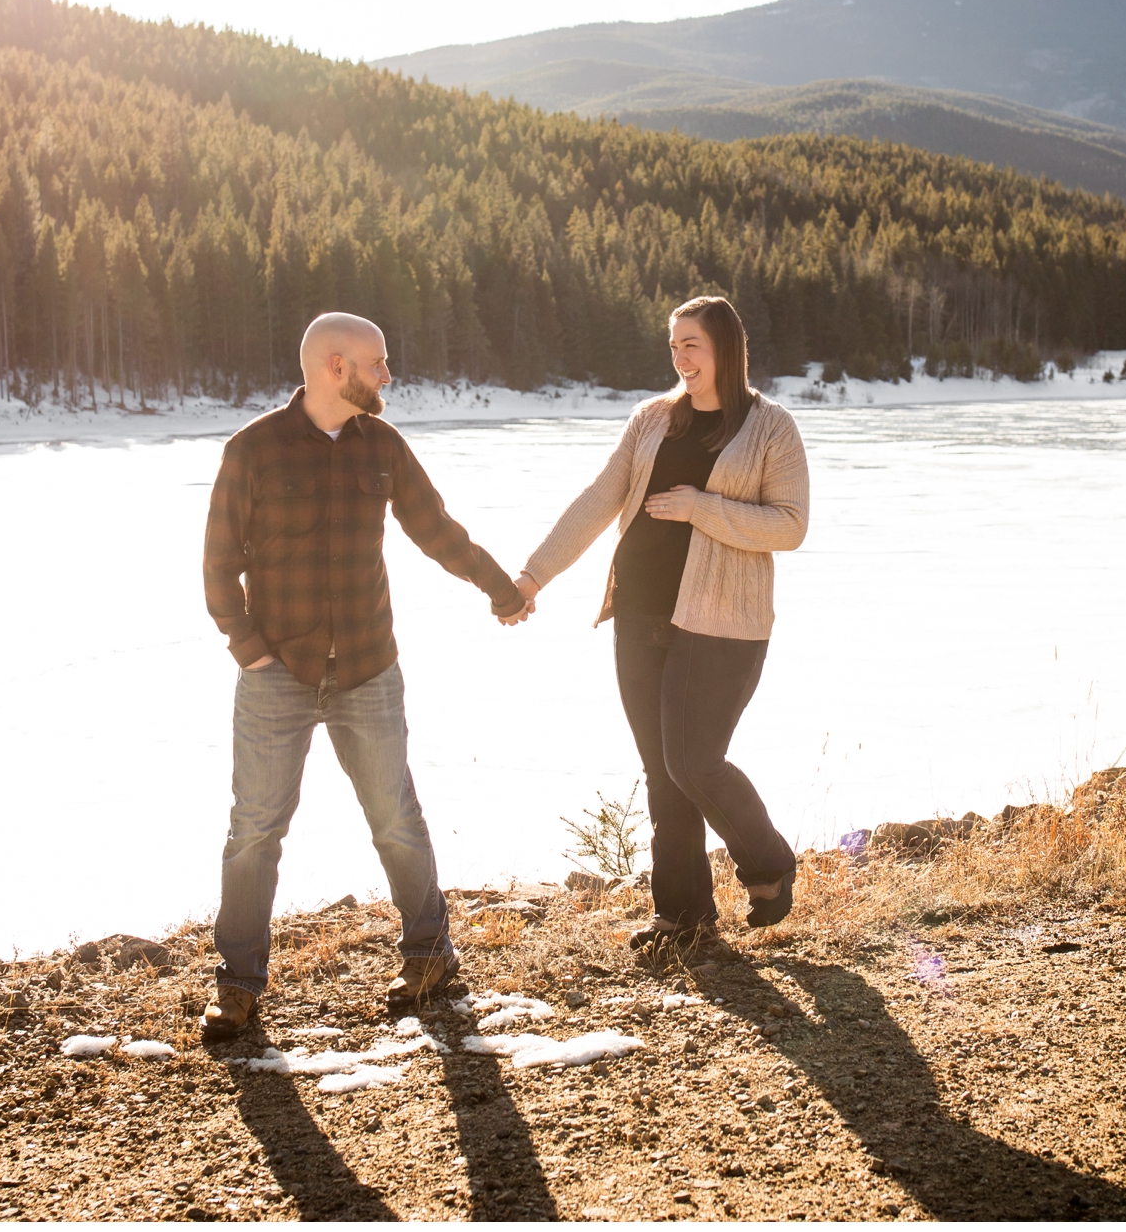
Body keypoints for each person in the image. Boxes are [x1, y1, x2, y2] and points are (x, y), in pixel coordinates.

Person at [198, 311, 532, 1042]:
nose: (389, 376)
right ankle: (237, 985)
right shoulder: (250, 450)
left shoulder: (382, 446)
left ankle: (429, 954)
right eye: (379, 363)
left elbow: (437, 530)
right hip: (275, 673)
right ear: (336, 366)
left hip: (367, 670)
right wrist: (248, 648)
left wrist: (502, 588)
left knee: (395, 817)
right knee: (254, 829)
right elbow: (219, 565)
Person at [512, 295, 809, 950]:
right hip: (639, 611)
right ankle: (682, 917)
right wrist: (534, 575)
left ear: (725, 349)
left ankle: (767, 861)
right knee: (661, 769)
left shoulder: (770, 428)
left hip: (722, 623)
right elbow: (598, 500)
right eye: (672, 346)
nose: (679, 358)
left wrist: (703, 507)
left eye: (691, 345)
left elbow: (790, 525)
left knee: (693, 761)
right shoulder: (652, 420)